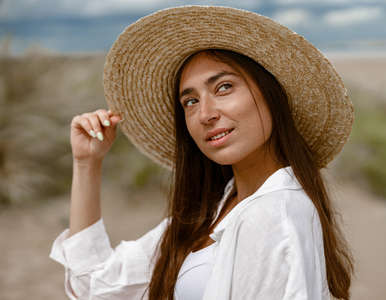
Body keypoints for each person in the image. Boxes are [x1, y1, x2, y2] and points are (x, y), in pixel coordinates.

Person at [50, 5, 355, 300]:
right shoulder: (214, 208)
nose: (205, 114)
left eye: (223, 87)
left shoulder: (275, 213)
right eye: (190, 101)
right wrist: (87, 163)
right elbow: (97, 286)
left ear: (271, 93)